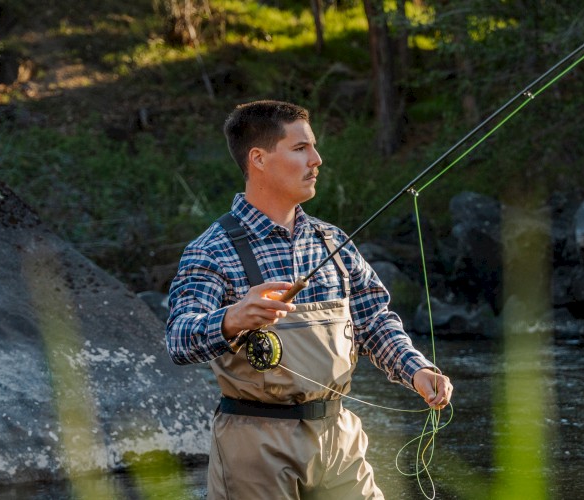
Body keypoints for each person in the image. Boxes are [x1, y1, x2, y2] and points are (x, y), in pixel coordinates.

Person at [165, 100, 453, 499]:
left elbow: (373, 323)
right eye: (300, 149)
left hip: (339, 437)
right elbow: (179, 339)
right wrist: (233, 318)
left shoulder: (334, 242)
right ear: (259, 159)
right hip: (255, 445)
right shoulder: (212, 251)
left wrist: (417, 371)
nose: (316, 160)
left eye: (313, 147)